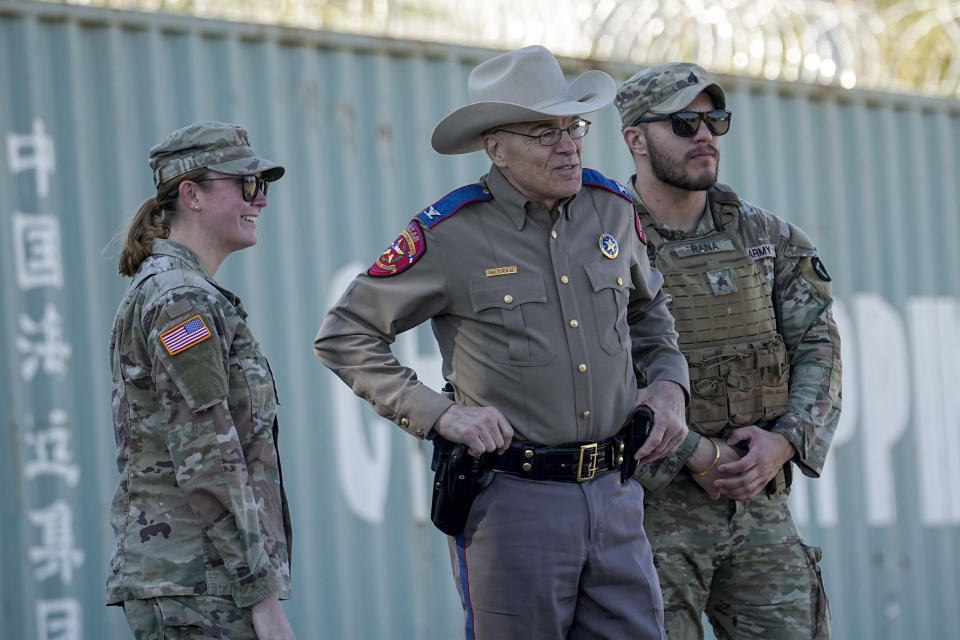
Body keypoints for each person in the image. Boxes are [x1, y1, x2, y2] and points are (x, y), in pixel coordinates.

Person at [314, 45, 690, 640]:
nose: (568, 146)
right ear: (495, 147)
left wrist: (669, 386)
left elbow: (649, 312)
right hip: (515, 504)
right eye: (544, 132)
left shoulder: (613, 211)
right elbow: (345, 335)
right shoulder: (450, 233)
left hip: (618, 497)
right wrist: (441, 416)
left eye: (575, 127)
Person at [614, 62, 842, 639]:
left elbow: (818, 345)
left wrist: (784, 441)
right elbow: (591, 374)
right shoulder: (605, 247)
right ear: (635, 138)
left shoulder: (770, 238)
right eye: (684, 123)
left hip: (759, 499)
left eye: (715, 120)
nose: (706, 136)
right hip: (651, 511)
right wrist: (694, 453)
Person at [106, 121, 295, 640]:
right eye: (247, 185)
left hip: (201, 577)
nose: (260, 200)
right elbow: (206, 454)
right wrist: (262, 597)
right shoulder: (180, 299)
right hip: (201, 583)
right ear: (190, 193)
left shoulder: (184, 291)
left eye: (263, 186)